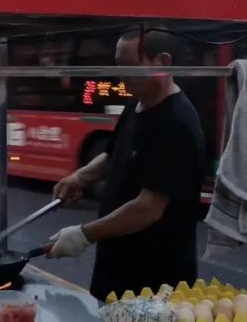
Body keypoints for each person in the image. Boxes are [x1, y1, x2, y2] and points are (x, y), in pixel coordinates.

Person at [48, 27, 206, 300]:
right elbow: (113, 155)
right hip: (116, 267)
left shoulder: (175, 123)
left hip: (153, 282)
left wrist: (83, 234)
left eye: (129, 65)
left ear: (163, 63)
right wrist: (79, 178)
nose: (121, 73)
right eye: (118, 64)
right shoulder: (137, 104)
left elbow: (149, 208)